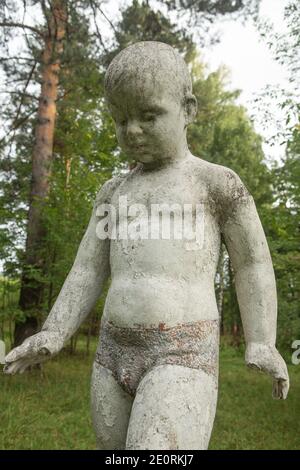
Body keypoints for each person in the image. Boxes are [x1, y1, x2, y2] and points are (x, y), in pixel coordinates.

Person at [4, 41, 289, 450]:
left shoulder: (216, 184)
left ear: (188, 110)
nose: (132, 130)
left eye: (148, 115)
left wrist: (261, 340)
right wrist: (53, 331)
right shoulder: (112, 192)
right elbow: (88, 268)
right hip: (111, 353)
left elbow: (252, 264)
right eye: (120, 119)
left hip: (183, 351)